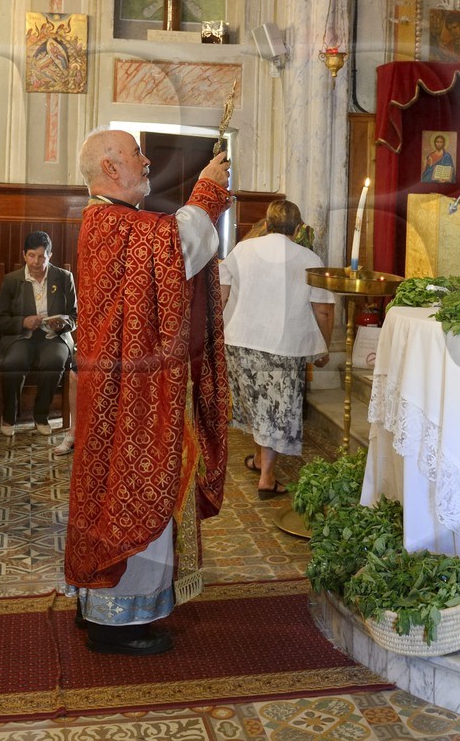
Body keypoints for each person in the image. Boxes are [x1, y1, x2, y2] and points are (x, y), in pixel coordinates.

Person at [65, 131, 231, 656]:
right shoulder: (111, 223)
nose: (147, 160)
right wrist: (207, 191)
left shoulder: (115, 222)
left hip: (124, 387)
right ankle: (119, 623)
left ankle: (98, 602)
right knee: (134, 483)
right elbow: (176, 249)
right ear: (111, 168)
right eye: (137, 153)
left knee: (112, 485)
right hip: (132, 395)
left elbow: (167, 250)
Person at [220, 200, 334, 497]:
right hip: (283, 347)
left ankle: (260, 461)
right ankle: (267, 478)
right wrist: (324, 347)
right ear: (298, 229)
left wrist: (215, 334)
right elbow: (323, 309)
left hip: (241, 342)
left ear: (267, 224)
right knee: (275, 408)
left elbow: (221, 295)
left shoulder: (241, 250)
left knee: (256, 403)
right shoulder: (309, 258)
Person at [0, 231, 77, 437]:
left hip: (53, 337)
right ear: (24, 255)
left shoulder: (64, 278)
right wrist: (23, 321)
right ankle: (9, 416)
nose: (36, 262)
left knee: (54, 361)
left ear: (50, 255)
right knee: (14, 361)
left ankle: (41, 416)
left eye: (41, 256)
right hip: (21, 337)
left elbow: (75, 316)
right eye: (31, 256)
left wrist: (62, 324)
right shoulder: (12, 280)